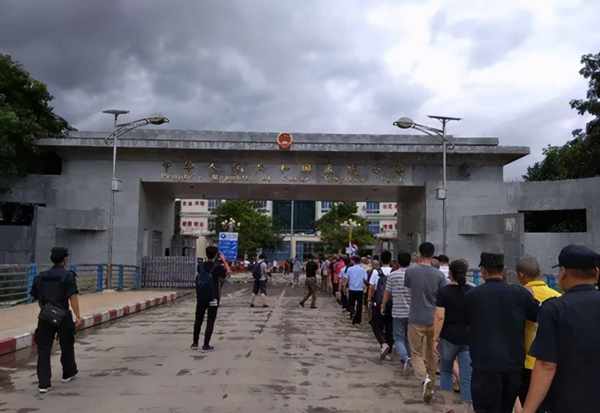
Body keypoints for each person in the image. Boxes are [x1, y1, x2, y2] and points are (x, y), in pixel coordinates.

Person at [523, 245, 600, 413]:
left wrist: (527, 410)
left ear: (564, 272)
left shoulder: (554, 309)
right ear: (596, 273)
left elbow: (546, 365)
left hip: (568, 402)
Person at [465, 252, 539, 413]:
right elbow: (536, 315)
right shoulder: (520, 294)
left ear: (483, 271)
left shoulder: (472, 296)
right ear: (503, 270)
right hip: (513, 365)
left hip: (484, 365)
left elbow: (464, 323)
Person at [30, 247, 82, 393]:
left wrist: (46, 309)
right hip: (63, 315)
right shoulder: (68, 276)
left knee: (43, 348)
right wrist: (78, 316)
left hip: (45, 315)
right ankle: (68, 373)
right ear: (65, 259)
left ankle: (43, 383)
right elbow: (73, 297)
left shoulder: (40, 276)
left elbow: (37, 297)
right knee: (67, 345)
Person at [513, 256, 561, 413]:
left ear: (521, 274)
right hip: (554, 360)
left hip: (527, 361)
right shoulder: (558, 297)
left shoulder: (520, 296)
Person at [404, 241, 447, 404]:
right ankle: (431, 385)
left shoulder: (410, 271)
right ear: (433, 254)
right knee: (431, 354)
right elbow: (443, 296)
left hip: (415, 316)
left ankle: (424, 379)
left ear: (419, 252)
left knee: (416, 353)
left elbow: (408, 288)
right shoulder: (440, 275)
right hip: (433, 318)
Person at [433, 259, 473, 406]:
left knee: (445, 372)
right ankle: (468, 407)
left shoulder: (444, 292)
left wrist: (435, 339)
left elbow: (439, 316)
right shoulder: (472, 291)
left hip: (448, 337)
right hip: (468, 338)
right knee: (466, 376)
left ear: (450, 273)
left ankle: (448, 406)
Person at [192, 246, 230, 351]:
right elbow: (228, 273)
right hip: (213, 298)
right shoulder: (218, 267)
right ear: (216, 255)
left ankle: (195, 343)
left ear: (206, 254)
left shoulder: (200, 266)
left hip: (201, 297)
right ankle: (206, 344)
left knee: (198, 319)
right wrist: (224, 260)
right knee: (210, 320)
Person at [382, 252, 412, 371]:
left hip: (398, 311)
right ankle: (409, 358)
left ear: (398, 262)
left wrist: (383, 305)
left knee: (398, 337)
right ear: (410, 262)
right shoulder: (414, 275)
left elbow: (387, 293)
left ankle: (405, 358)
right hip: (412, 312)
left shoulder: (393, 275)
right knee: (409, 338)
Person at [369, 251, 394, 360]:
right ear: (390, 259)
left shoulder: (376, 272)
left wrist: (369, 300)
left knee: (375, 324)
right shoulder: (394, 272)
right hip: (392, 302)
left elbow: (372, 288)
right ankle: (389, 351)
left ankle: (383, 343)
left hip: (378, 302)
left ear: (381, 260)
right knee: (389, 326)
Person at [343, 255, 368, 324]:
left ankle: (352, 313)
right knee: (359, 305)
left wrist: (344, 287)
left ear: (353, 261)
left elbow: (347, 279)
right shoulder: (363, 270)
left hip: (352, 289)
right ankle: (358, 319)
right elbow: (365, 279)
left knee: (351, 303)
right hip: (360, 289)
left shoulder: (349, 269)